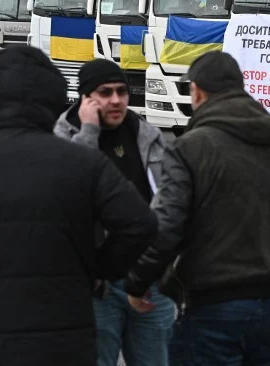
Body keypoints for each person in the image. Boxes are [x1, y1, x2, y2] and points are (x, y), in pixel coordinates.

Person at [0, 45, 158, 366]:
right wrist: (97, 271)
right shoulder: (84, 164)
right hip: (66, 338)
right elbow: (140, 224)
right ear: (52, 100)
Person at [123, 50, 270, 366]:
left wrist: (139, 281)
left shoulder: (190, 148)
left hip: (213, 303)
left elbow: (168, 227)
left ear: (197, 91)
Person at [54, 58, 175, 366]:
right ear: (85, 98)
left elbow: (167, 203)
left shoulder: (146, 135)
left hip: (149, 281)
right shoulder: (62, 138)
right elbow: (73, 195)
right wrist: (90, 132)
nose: (116, 100)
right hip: (96, 289)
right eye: (105, 92)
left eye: (121, 91)